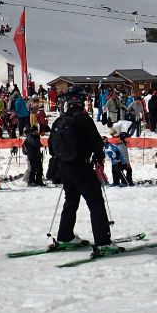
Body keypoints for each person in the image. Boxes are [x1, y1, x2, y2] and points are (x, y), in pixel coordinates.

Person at [50, 88, 114, 250]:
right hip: (81, 166)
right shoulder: (83, 119)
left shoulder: (59, 121)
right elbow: (96, 143)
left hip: (64, 167)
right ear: (82, 101)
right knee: (96, 202)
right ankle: (103, 243)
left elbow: (51, 147)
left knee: (71, 201)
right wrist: (99, 157)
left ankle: (65, 236)